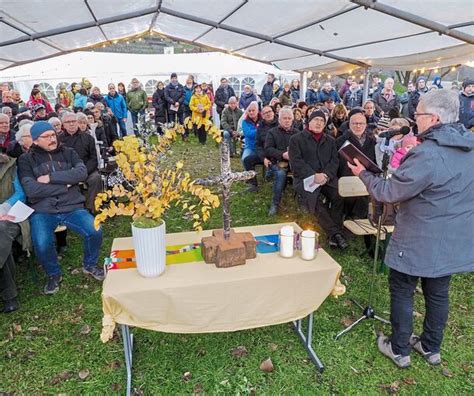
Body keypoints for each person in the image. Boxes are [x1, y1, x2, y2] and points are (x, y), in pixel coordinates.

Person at [347, 89, 474, 368]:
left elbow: (388, 191)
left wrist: (363, 173)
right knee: (438, 292)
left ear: (434, 117)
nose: (414, 120)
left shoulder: (427, 154)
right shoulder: (470, 146)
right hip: (454, 238)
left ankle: (399, 348)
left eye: (417, 115)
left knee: (403, 290)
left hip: (419, 238)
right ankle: (431, 347)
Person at [18, 121, 104, 294]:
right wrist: (65, 185)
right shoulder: (26, 160)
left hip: (71, 205)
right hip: (43, 209)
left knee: (95, 230)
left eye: (53, 135)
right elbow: (31, 188)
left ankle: (90, 264)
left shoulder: (69, 152)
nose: (52, 139)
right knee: (41, 243)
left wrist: (50, 177)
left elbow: (81, 173)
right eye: (46, 137)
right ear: (35, 141)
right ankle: (53, 274)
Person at [289, 109, 348, 249]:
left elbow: (334, 161)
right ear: (309, 122)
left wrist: (326, 175)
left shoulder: (330, 140)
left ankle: (334, 234)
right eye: (316, 119)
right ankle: (335, 234)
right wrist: (313, 175)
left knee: (339, 195)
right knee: (314, 200)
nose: (319, 123)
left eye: (322, 121)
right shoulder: (296, 139)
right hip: (306, 179)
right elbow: (296, 162)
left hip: (326, 178)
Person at [0, 152, 31, 312]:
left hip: (12, 213)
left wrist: (3, 208)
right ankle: (9, 295)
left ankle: (9, 295)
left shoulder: (11, 166)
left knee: (1, 232)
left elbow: (20, 194)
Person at [336, 108, 376, 219]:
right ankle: (353, 218)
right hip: (346, 177)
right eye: (355, 123)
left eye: (361, 123)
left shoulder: (372, 141)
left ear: (366, 125)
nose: (358, 126)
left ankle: (358, 219)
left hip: (367, 178)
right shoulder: (340, 141)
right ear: (349, 124)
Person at [58, 112, 102, 212]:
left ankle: (91, 208)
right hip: (67, 171)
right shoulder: (59, 140)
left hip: (86, 169)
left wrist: (83, 171)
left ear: (77, 122)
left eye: (73, 121)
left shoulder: (88, 138)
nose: (71, 124)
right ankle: (70, 209)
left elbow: (94, 158)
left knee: (96, 178)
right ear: (63, 124)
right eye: (68, 122)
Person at [264, 106, 298, 216]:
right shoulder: (272, 132)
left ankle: (304, 203)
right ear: (279, 119)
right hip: (277, 162)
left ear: (292, 119)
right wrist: (282, 154)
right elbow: (268, 149)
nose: (287, 120)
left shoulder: (298, 133)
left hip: (295, 163)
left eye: (289, 118)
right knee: (280, 174)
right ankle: (275, 203)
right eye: (284, 118)